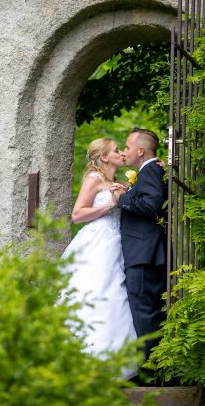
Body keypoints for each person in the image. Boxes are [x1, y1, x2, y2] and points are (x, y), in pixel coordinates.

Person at [61, 138, 138, 380]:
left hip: (115, 243)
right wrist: (110, 205)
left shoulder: (115, 182)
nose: (121, 153)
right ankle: (82, 360)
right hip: (96, 243)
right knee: (95, 293)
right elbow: (77, 215)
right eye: (116, 150)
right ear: (104, 157)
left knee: (115, 295)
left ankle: (110, 361)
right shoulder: (94, 179)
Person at [112, 127, 168, 375]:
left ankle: (151, 373)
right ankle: (152, 368)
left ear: (141, 150)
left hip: (144, 253)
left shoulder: (151, 171)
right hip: (142, 252)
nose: (124, 152)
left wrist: (122, 198)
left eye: (127, 147)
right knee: (145, 311)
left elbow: (151, 204)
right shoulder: (150, 172)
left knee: (145, 313)